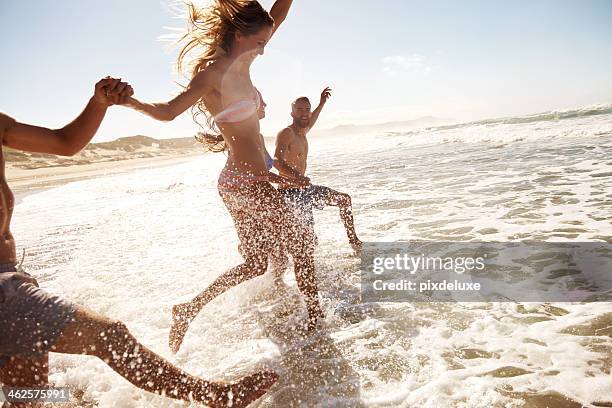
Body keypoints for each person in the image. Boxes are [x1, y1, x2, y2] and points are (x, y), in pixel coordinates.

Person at [0, 78, 277, 407]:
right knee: (108, 335)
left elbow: (65, 142)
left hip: (10, 272)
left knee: (27, 399)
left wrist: (98, 103)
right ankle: (218, 398)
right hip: (5, 290)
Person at [123, 0, 324, 354]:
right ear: (239, 34)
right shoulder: (214, 74)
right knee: (301, 239)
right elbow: (169, 111)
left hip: (246, 182)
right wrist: (129, 102)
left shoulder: (245, 60)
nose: (264, 50)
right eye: (260, 43)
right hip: (243, 184)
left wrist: (276, 173)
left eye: (266, 42)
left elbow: (278, 15)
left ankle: (187, 309)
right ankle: (317, 320)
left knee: (255, 263)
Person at [274, 87, 362, 255]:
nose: (305, 113)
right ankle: (281, 256)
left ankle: (354, 242)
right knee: (309, 242)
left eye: (307, 109)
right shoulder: (287, 133)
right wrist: (297, 177)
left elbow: (311, 119)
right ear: (292, 113)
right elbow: (276, 162)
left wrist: (321, 102)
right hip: (290, 194)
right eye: (300, 110)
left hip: (305, 190)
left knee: (344, 200)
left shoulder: (303, 132)